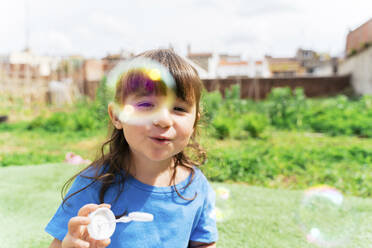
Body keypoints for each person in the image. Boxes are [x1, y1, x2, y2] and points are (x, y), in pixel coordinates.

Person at [46, 49, 218, 248]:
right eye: (146, 104)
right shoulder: (93, 184)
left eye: (179, 109)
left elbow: (204, 244)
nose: (163, 120)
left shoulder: (197, 186)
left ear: (195, 122)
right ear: (117, 116)